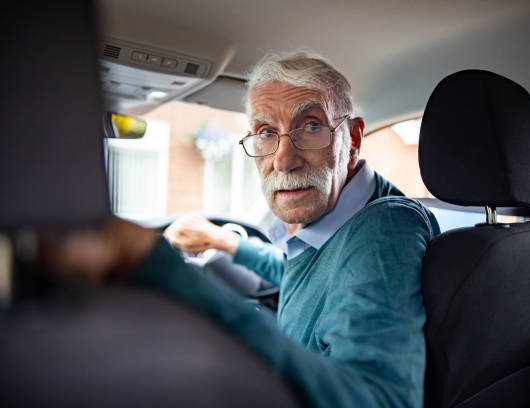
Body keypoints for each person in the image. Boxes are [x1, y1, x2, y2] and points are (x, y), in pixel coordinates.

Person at [51, 52, 440, 407]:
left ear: (352, 139)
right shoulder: (331, 228)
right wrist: (225, 242)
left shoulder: (383, 229)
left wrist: (155, 265)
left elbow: (381, 401)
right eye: (267, 132)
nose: (284, 160)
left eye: (311, 126)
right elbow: (304, 275)